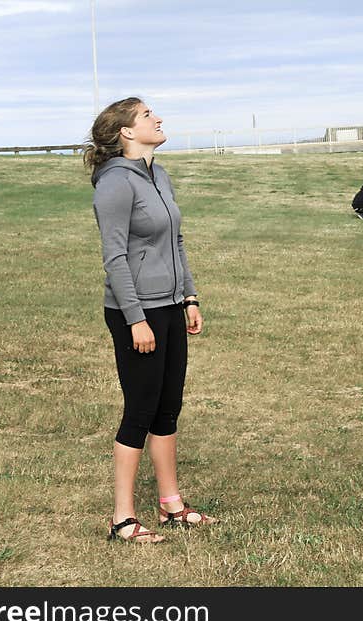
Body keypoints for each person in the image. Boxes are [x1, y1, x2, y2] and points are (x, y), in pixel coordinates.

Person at [84, 97, 216, 543]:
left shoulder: (159, 174)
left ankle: (170, 505)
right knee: (139, 410)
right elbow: (115, 257)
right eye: (146, 116)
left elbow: (176, 241)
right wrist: (136, 318)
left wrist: (189, 296)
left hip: (170, 305)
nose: (157, 119)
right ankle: (122, 518)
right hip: (133, 311)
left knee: (168, 407)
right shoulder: (115, 184)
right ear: (125, 131)